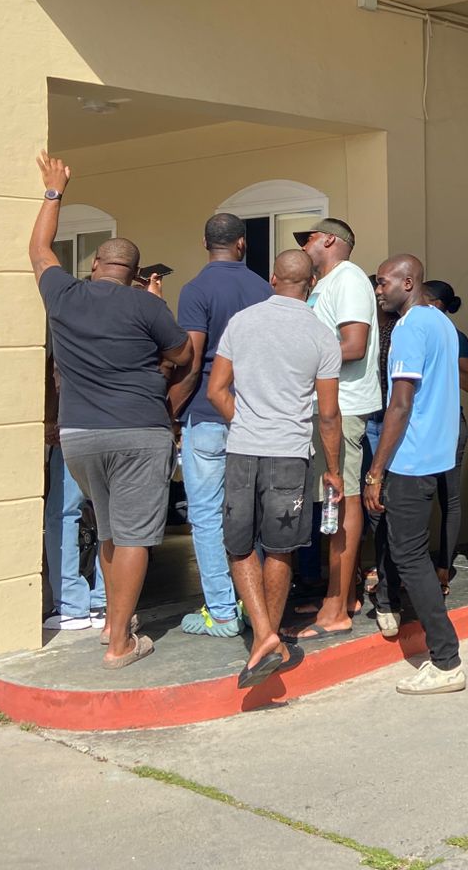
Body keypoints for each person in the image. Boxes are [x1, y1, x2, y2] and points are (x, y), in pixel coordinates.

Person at [29, 153, 192, 669]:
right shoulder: (147, 305)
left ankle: (110, 624)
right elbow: (182, 353)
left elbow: (39, 249)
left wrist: (54, 191)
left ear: (96, 264)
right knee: (136, 535)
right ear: (137, 274)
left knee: (107, 530)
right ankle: (120, 641)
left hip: (80, 434)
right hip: (140, 431)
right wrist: (155, 306)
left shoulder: (65, 293)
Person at [207, 249, 342, 685]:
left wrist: (246, 423)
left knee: (239, 544)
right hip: (290, 452)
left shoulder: (241, 322)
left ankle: (263, 636)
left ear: (272, 279)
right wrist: (334, 469)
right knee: (280, 546)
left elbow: (216, 390)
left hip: (243, 449)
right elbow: (328, 414)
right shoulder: (321, 335)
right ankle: (268, 636)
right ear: (311, 284)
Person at [364, 255, 466, 695]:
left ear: (408, 283)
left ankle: (446, 662)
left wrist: (375, 470)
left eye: (383, 282)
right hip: (435, 456)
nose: (378, 290)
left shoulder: (408, 328)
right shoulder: (441, 322)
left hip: (410, 460)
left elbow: (401, 404)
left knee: (409, 557)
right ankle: (442, 655)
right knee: (413, 554)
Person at [168, 213, 270, 639]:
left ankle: (222, 611)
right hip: (254, 416)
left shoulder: (196, 289)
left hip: (207, 415)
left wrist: (172, 411)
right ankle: (253, 605)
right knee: (251, 514)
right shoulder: (264, 289)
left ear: (205, 243)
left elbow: (192, 360)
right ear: (242, 244)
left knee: (208, 516)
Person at [287, 219, 379, 640]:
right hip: (324, 406)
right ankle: (344, 594)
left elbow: (354, 345)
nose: (303, 246)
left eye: (306, 238)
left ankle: (337, 606)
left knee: (343, 500)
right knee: (332, 502)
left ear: (328, 239)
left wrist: (297, 360)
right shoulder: (324, 284)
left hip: (343, 407)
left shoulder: (349, 278)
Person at [43, 346, 106, 631]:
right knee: (110, 516)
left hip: (73, 425)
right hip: (118, 425)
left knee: (63, 514)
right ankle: (104, 601)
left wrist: (50, 418)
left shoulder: (68, 326)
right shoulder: (125, 324)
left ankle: (71, 604)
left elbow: (52, 372)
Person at [421, 280, 468, 595]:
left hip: (448, 427)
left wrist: (447, 363)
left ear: (435, 304)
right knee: (423, 500)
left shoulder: (455, 337)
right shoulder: (414, 331)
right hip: (428, 426)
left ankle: (443, 568)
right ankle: (420, 570)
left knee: (448, 499)